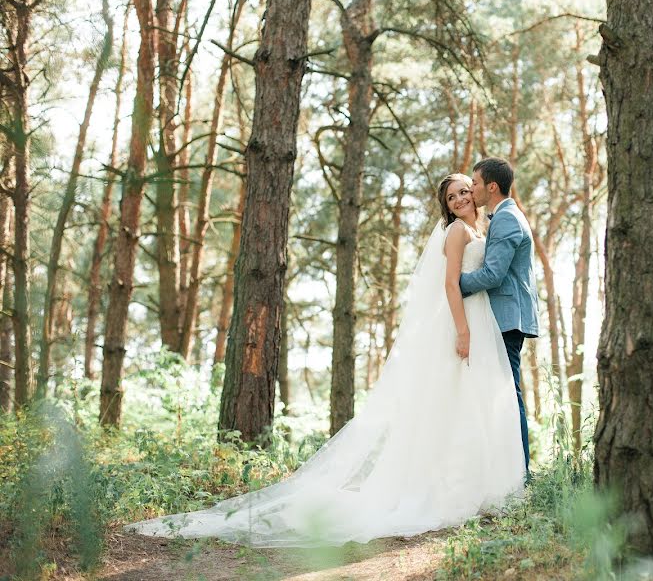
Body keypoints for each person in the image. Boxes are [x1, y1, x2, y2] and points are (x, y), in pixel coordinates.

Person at [125, 173, 526, 548]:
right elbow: (449, 284)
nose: (459, 198)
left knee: (468, 404)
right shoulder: (457, 231)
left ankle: (472, 485)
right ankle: (442, 491)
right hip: (463, 323)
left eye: (463, 191)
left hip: (480, 319)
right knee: (452, 403)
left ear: (476, 193)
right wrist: (462, 331)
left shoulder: (483, 228)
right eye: (451, 196)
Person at [459, 158, 540, 476]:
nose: (471, 189)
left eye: (475, 183)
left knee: (509, 394)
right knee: (503, 393)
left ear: (491, 186)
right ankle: (508, 471)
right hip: (505, 316)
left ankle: (520, 473)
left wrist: (454, 284)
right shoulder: (504, 216)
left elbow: (493, 275)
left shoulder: (506, 219)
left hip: (507, 318)